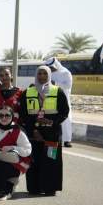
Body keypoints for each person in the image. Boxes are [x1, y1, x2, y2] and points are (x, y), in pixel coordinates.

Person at [19, 65, 70, 196]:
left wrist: (53, 122)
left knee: (51, 161)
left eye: (44, 74)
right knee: (34, 161)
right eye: (39, 74)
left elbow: (65, 112)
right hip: (33, 134)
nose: (42, 76)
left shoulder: (57, 91)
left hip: (52, 135)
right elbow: (24, 114)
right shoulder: (27, 92)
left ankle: (49, 188)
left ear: (49, 75)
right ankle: (35, 188)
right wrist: (34, 130)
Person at [0, 106, 32, 199]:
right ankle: (7, 183)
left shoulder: (18, 131)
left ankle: (6, 189)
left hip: (16, 163)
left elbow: (27, 150)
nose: (4, 118)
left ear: (12, 116)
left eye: (7, 115)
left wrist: (12, 147)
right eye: (1, 115)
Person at [45, 56, 74, 147]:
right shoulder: (49, 73)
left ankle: (67, 140)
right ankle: (54, 139)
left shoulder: (66, 73)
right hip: (51, 99)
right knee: (52, 118)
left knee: (66, 119)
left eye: (52, 67)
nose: (51, 69)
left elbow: (68, 86)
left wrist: (55, 84)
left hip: (63, 99)